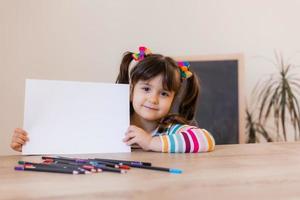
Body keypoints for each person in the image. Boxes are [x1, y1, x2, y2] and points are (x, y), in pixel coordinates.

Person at [11, 46, 215, 153]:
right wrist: (31, 143)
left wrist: (151, 142)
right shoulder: (109, 123)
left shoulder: (169, 129)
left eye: (163, 93)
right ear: (131, 89)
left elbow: (206, 140)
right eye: (146, 88)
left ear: (173, 98)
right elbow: (72, 137)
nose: (153, 99)